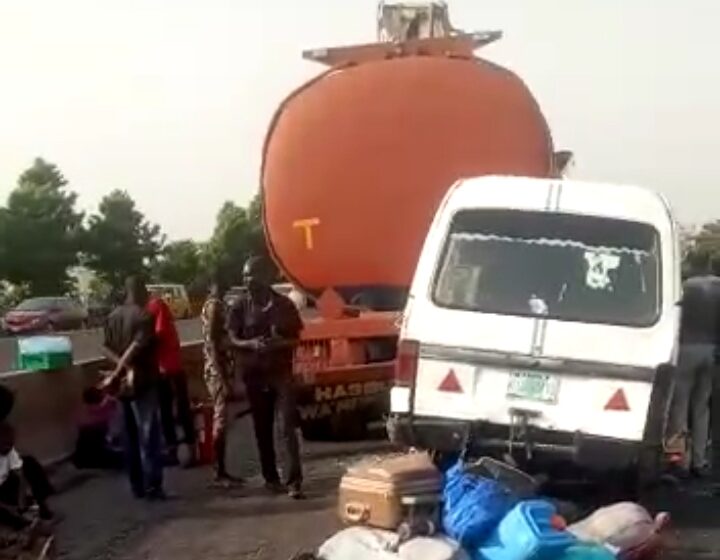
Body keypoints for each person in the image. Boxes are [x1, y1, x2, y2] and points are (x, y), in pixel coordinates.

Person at [228, 257, 305, 499]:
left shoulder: (284, 305)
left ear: (264, 276)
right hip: (254, 375)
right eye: (244, 276)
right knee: (262, 429)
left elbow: (296, 338)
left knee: (286, 427)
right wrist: (250, 344)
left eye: (250, 275)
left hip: (280, 373)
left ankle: (294, 482)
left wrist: (277, 343)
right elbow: (231, 338)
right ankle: (271, 478)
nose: (246, 280)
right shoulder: (240, 306)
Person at [101, 276, 165, 499]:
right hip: (143, 381)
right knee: (148, 434)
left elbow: (105, 348)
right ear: (141, 291)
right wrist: (128, 368)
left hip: (121, 387)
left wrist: (118, 370)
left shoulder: (112, 316)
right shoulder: (144, 316)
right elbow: (138, 345)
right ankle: (153, 485)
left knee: (129, 435)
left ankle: (136, 485)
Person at [666, 253, 720, 477]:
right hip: (711, 350)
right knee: (701, 406)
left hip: (687, 347)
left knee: (680, 404)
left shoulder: (686, 288)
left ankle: (680, 459)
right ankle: (699, 459)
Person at [147, 295, 195, 465]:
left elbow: (160, 333)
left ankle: (190, 451)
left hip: (170, 366)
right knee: (165, 412)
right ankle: (173, 451)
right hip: (160, 367)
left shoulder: (155, 305)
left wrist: (141, 342)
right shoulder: (148, 307)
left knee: (181, 410)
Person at [200, 276, 239, 485]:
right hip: (217, 372)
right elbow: (213, 344)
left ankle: (221, 470)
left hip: (219, 370)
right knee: (221, 421)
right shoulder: (214, 306)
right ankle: (219, 471)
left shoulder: (215, 305)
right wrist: (223, 378)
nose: (224, 287)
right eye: (219, 284)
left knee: (223, 421)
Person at [0, 422, 54, 529]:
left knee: (29, 462)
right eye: (5, 443)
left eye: (10, 443)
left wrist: (22, 504)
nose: (9, 446)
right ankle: (18, 522)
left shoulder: (9, 453)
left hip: (9, 485)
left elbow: (20, 476)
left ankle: (41, 503)